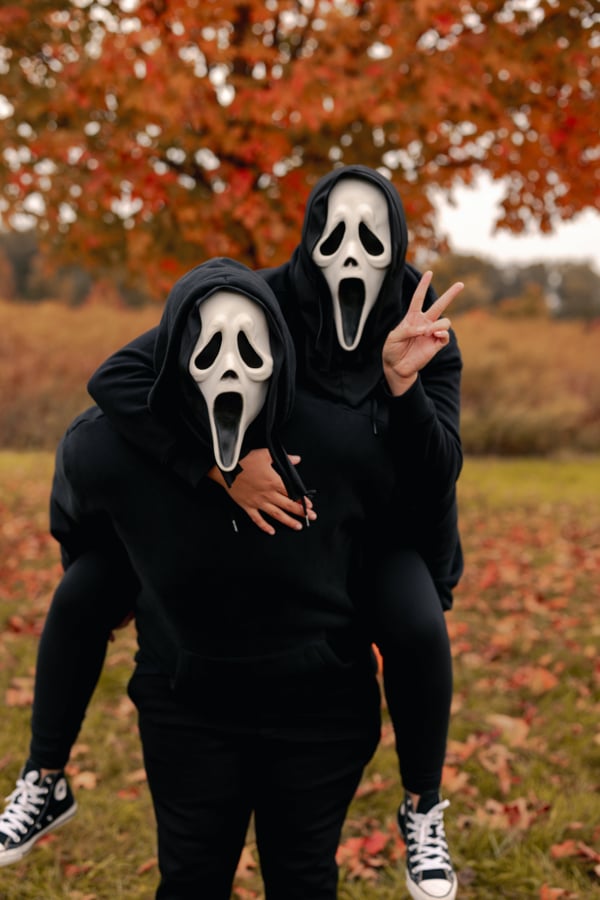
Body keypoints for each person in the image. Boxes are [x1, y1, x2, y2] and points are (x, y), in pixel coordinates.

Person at [1, 166, 463, 900]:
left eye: (369, 238)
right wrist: (217, 472)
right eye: (333, 233)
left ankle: (422, 805)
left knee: (415, 620)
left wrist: (402, 390)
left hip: (370, 527)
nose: (348, 253)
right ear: (309, 238)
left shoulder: (420, 324)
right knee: (90, 585)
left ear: (396, 245)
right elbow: (121, 384)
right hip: (200, 609)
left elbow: (436, 476)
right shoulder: (258, 302)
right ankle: (44, 774)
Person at [46, 256, 392, 898]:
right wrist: (109, 587)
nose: (229, 368)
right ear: (174, 355)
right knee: (191, 880)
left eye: (248, 349)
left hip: (320, 709)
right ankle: (42, 776)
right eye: (207, 349)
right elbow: (77, 523)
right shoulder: (104, 447)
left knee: (303, 879)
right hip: (187, 706)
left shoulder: (341, 438)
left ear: (279, 354)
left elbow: (408, 524)